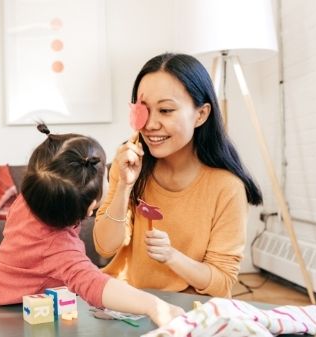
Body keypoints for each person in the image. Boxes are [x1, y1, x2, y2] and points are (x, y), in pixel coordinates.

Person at [0, 123, 184, 326]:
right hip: (3, 313)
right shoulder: (58, 248)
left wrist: (123, 186)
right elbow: (94, 285)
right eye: (107, 177)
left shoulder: (34, 194)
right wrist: (153, 305)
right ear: (90, 208)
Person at [94, 53, 263, 298]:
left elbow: (222, 282)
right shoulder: (128, 166)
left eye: (165, 110)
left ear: (201, 114)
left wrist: (172, 257)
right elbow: (105, 247)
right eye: (143, 110)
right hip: (125, 302)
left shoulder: (227, 187)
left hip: (187, 311)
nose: (150, 124)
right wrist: (124, 188)